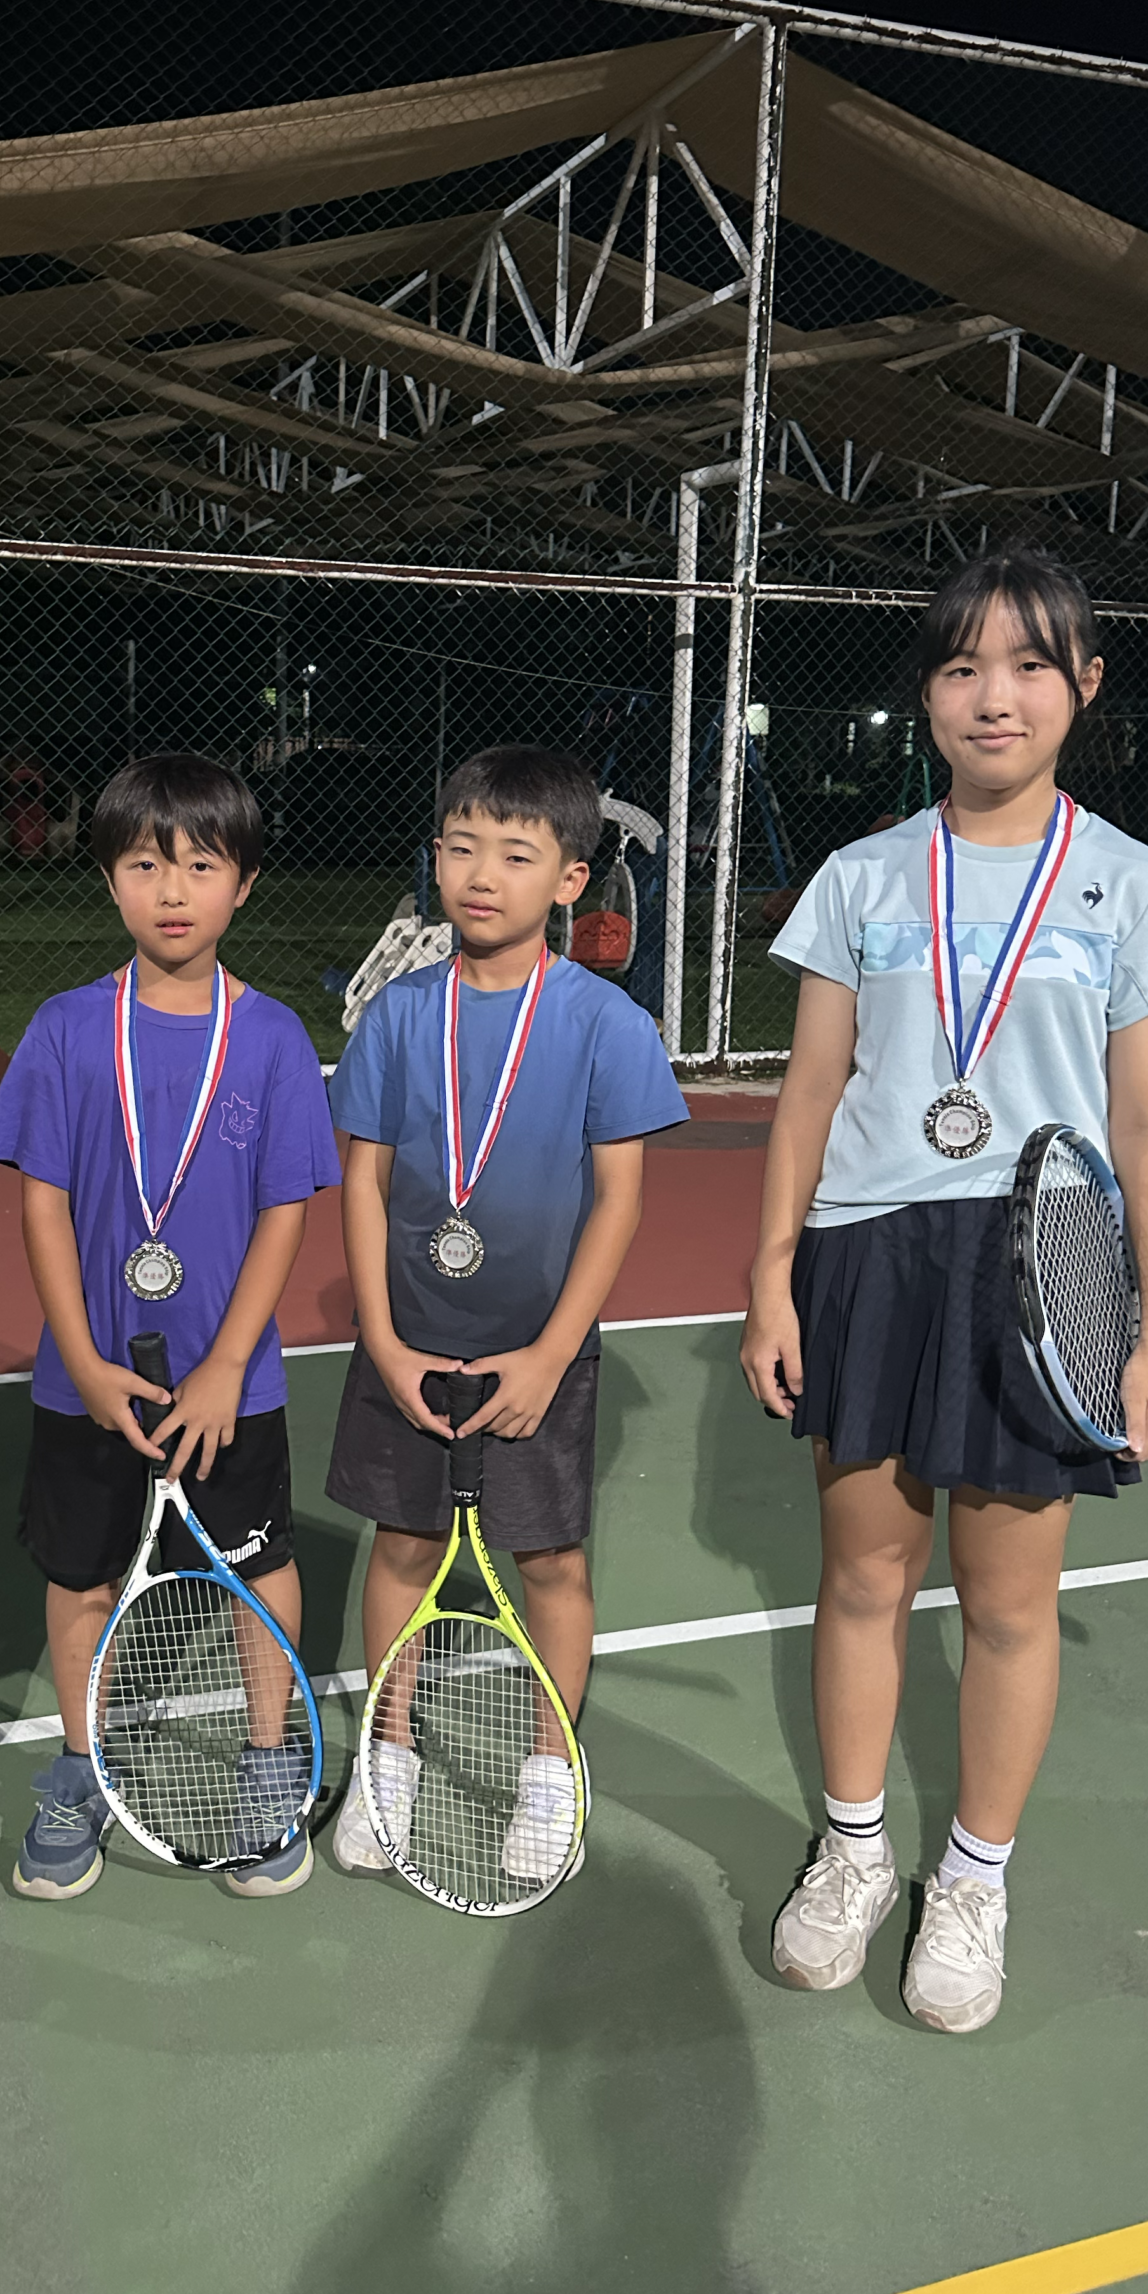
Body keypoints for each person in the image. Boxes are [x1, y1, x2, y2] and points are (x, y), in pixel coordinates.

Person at [739, 550, 1148, 2033]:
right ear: (929, 696)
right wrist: (770, 1279)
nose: (993, 696)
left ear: (1086, 686)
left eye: (1028, 666)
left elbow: (1147, 1129)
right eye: (961, 667)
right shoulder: (860, 877)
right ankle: (853, 1851)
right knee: (863, 1579)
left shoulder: (1132, 885)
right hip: (872, 1257)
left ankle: (973, 1880)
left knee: (1009, 1607)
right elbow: (808, 1096)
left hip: (1043, 1271)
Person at [0, 754, 339, 1900]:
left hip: (233, 1387)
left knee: (255, 1570)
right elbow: (41, 1201)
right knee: (81, 1578)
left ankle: (269, 1761)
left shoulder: (272, 1036)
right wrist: (82, 1358)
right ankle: (82, 1766)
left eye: (201, 865)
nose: (172, 890)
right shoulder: (68, 1029)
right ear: (109, 879)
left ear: (245, 883)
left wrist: (227, 1362)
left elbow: (286, 1208)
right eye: (144, 864)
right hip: (86, 1382)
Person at [325, 744, 688, 1878]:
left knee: (553, 1567)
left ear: (571, 879)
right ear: (434, 857)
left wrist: (550, 1354)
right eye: (462, 847)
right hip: (409, 1344)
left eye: (517, 855)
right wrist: (382, 1339)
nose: (482, 875)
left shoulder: (606, 1023)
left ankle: (548, 1769)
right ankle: (388, 1754)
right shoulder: (396, 1014)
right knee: (401, 1548)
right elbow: (363, 1182)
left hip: (537, 1353)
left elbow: (620, 1200)